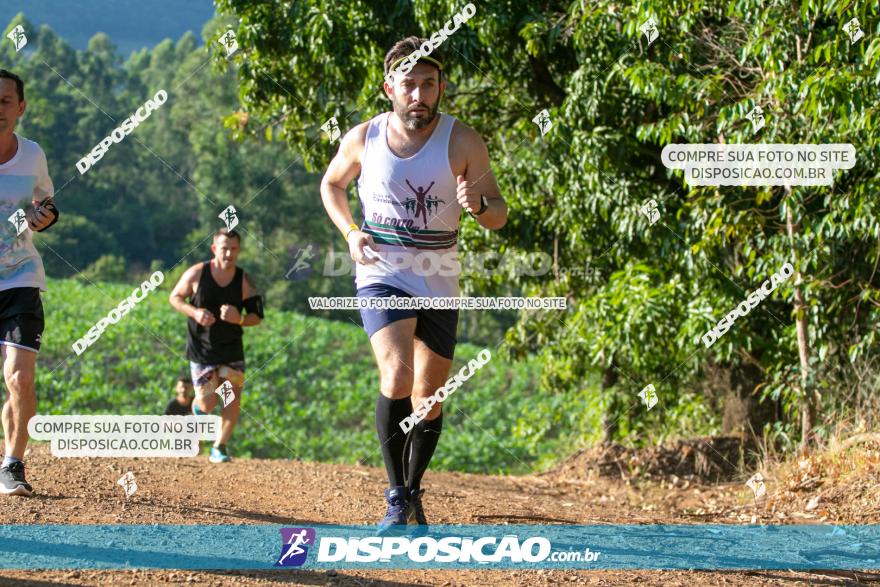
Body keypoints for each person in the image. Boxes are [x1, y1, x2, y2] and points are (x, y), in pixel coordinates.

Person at [320, 37, 508, 532]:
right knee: (397, 373)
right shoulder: (365, 137)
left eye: (429, 84)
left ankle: (414, 490)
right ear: (390, 89)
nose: (419, 95)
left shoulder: (463, 140)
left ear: (441, 87)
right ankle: (395, 495)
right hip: (382, 270)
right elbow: (331, 184)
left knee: (430, 395)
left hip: (439, 275)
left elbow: (498, 213)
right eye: (409, 85)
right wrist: (351, 232)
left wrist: (480, 206)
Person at [0, 70, 60, 496]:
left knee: (19, 378)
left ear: (20, 107)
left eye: (5, 101)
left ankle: (13, 464)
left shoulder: (33, 155)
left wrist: (45, 216)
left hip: (20, 276)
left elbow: (46, 204)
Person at [168, 228, 264, 463]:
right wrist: (195, 312)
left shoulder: (244, 280)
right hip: (202, 349)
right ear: (214, 249)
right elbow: (175, 297)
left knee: (231, 396)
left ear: (239, 250)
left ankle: (219, 447)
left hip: (231, 348)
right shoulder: (198, 273)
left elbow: (257, 315)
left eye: (233, 249)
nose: (229, 253)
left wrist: (238, 319)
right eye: (224, 248)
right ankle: (198, 412)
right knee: (208, 403)